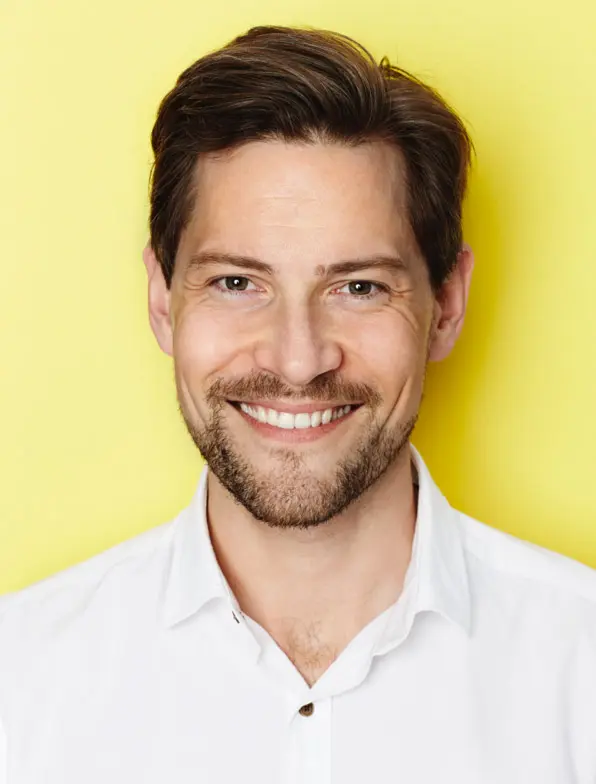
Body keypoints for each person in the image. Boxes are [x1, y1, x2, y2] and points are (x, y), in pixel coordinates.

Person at [1, 24, 595, 784]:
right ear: (160, 298)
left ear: (446, 305)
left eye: (359, 287)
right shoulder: (19, 683)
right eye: (236, 283)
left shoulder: (580, 668)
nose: (297, 360)